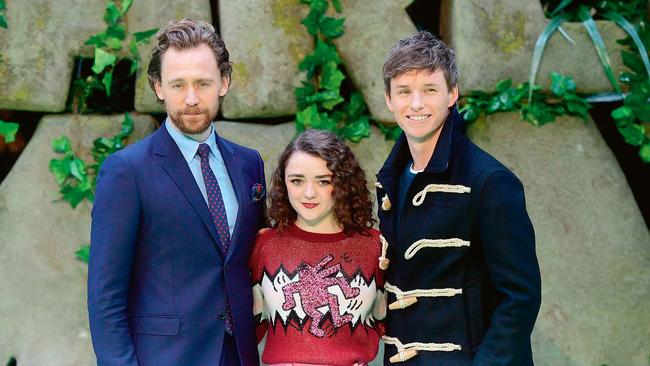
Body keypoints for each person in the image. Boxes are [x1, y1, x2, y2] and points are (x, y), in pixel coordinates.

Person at [87, 19, 266, 366]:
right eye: (178, 85)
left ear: (224, 82)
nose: (192, 99)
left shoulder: (248, 164)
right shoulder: (126, 171)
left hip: (239, 356)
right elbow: (105, 296)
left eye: (203, 83)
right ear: (158, 87)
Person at [376, 31, 541, 365]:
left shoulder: (490, 181)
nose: (416, 103)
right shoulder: (390, 178)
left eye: (430, 90)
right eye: (404, 91)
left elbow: (520, 297)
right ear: (389, 100)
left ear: (452, 94)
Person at [249, 129, 386, 366]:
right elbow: (244, 332)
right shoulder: (265, 246)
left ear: (343, 183)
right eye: (297, 180)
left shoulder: (376, 246)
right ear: (284, 184)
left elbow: (399, 327)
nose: (309, 193)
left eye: (324, 181)